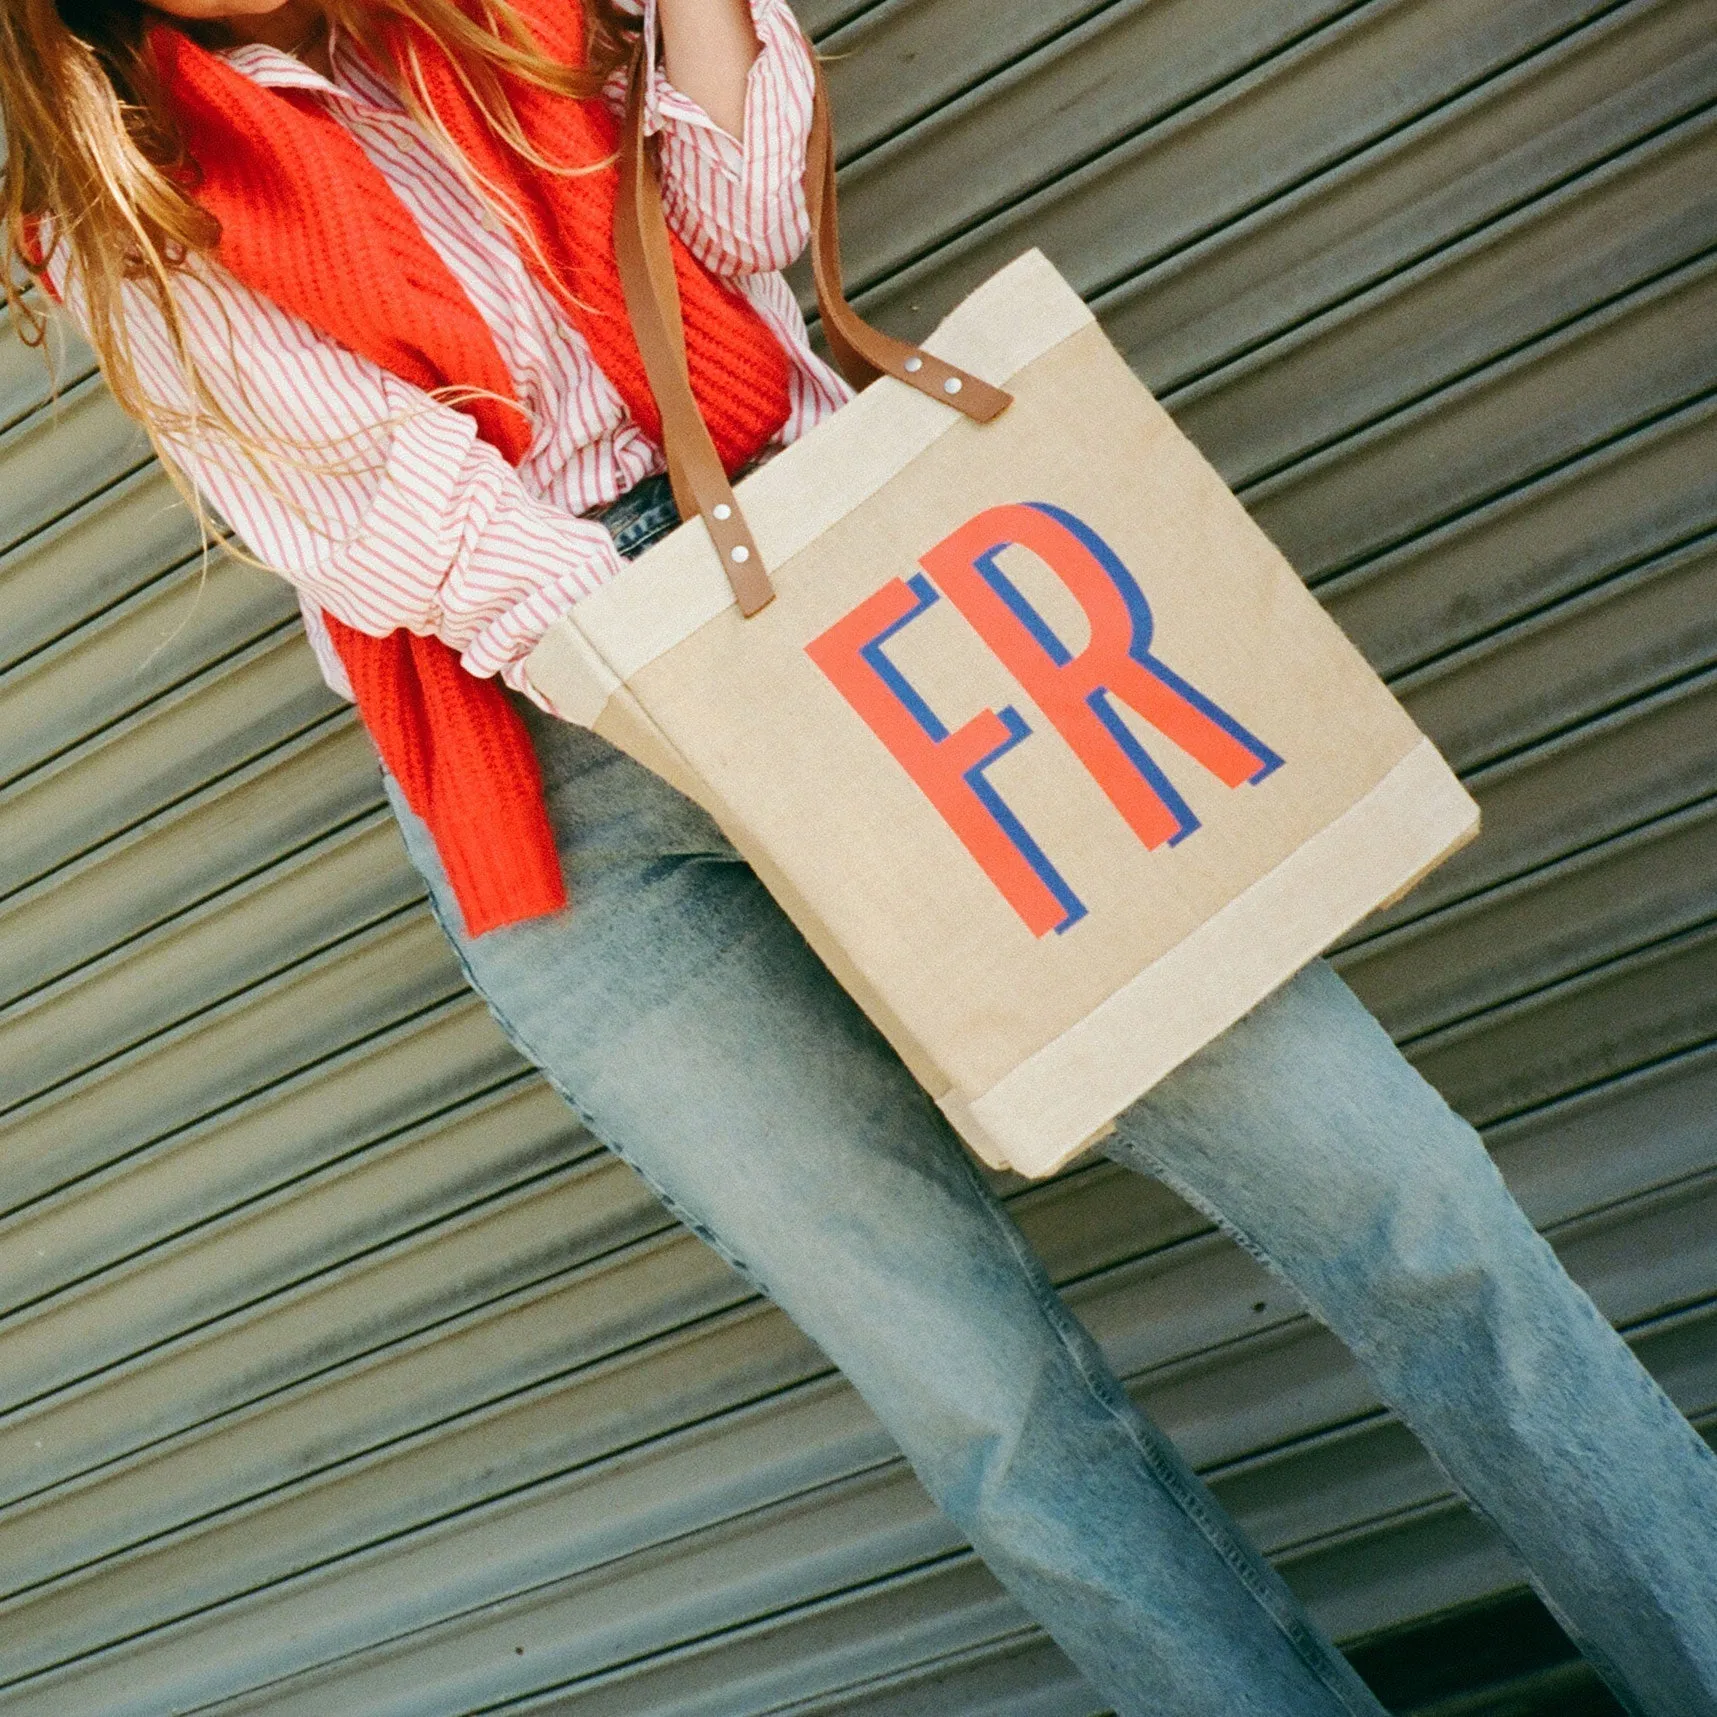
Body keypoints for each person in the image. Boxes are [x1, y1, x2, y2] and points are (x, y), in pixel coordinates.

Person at [4, 0, 1714, 1709]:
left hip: (863, 613)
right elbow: (431, 529)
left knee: (1393, 1194)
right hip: (555, 777)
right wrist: (729, 712)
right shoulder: (111, 173)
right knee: (992, 1413)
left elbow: (751, 220)